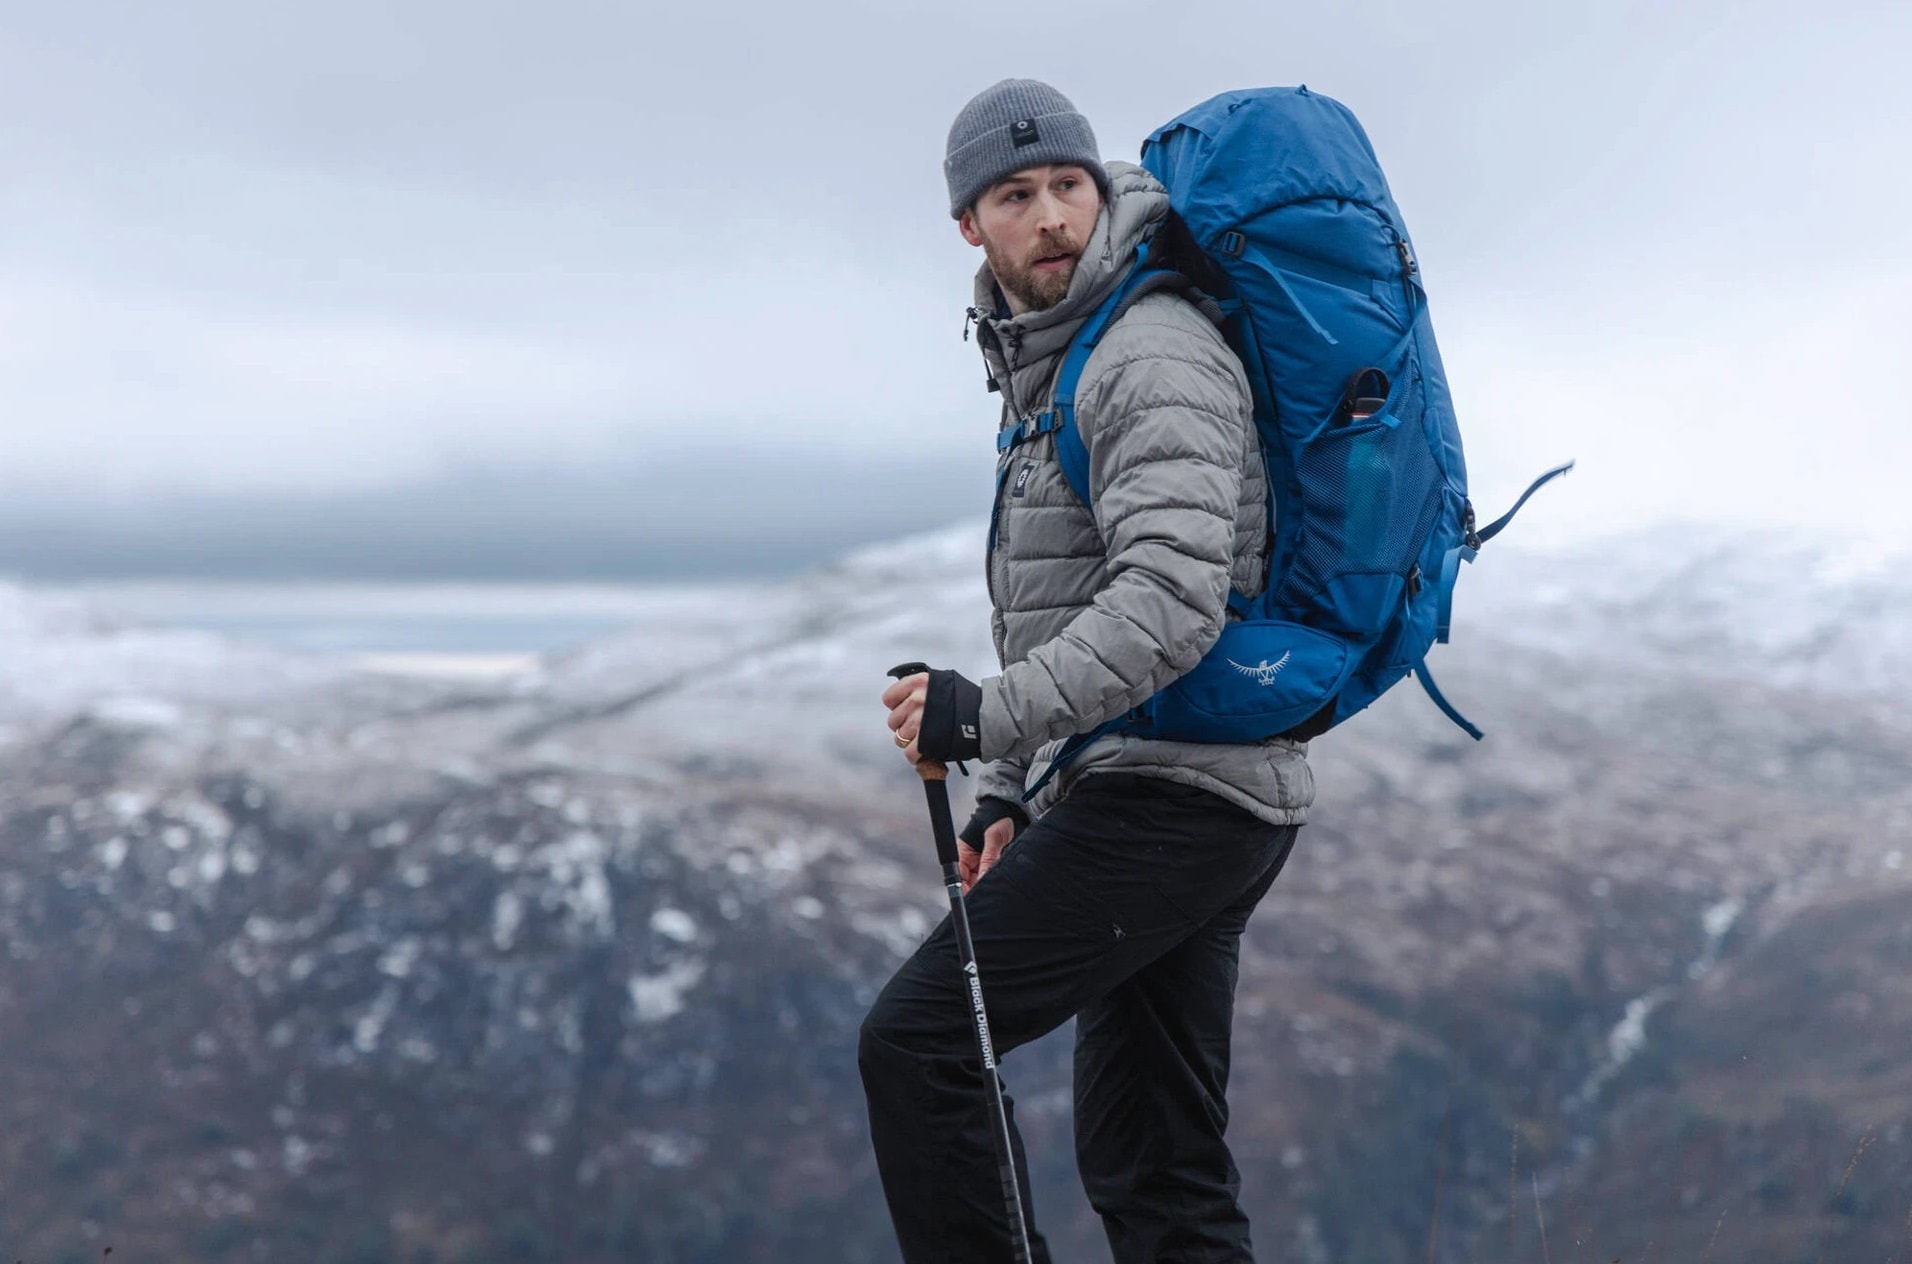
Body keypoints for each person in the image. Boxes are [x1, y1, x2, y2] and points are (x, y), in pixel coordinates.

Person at [860, 79, 1315, 1263]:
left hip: (1177, 789)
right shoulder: (1048, 365)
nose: (1052, 213)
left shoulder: (1147, 351)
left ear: (1100, 190)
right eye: (1016, 194)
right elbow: (1055, 604)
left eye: (1069, 184)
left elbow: (1171, 600)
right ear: (971, 225)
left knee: (919, 1040)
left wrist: (979, 720)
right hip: (1184, 785)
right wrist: (1010, 784)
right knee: (1152, 1160)